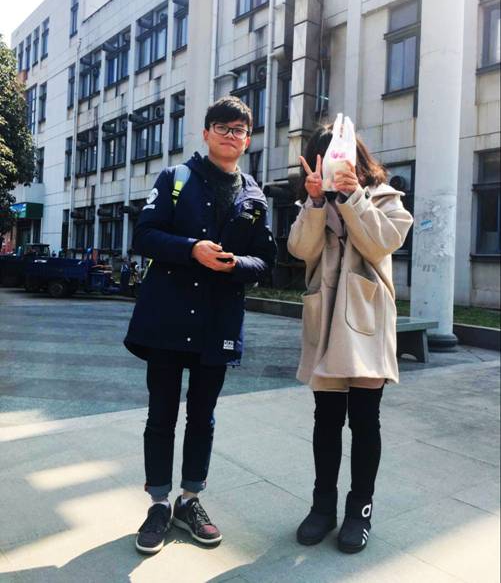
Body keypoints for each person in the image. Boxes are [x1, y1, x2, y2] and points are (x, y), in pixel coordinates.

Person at [124, 96, 277, 554]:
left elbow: (265, 260)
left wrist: (235, 265)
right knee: (161, 415)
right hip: (168, 319)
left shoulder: (254, 195)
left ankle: (189, 500)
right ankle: (158, 503)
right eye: (223, 127)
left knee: (202, 417)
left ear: (247, 140)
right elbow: (144, 236)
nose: (231, 135)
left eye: (239, 130)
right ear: (206, 132)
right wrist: (192, 248)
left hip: (217, 322)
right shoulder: (176, 178)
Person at [287, 124, 413, 554]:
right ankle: (322, 507)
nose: (333, 166)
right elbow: (300, 249)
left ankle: (360, 510)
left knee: (364, 421)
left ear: (356, 157)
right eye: (323, 160)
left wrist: (353, 195)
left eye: (340, 157)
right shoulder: (313, 202)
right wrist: (315, 202)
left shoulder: (385, 197)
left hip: (366, 321)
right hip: (325, 322)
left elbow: (382, 244)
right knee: (326, 420)